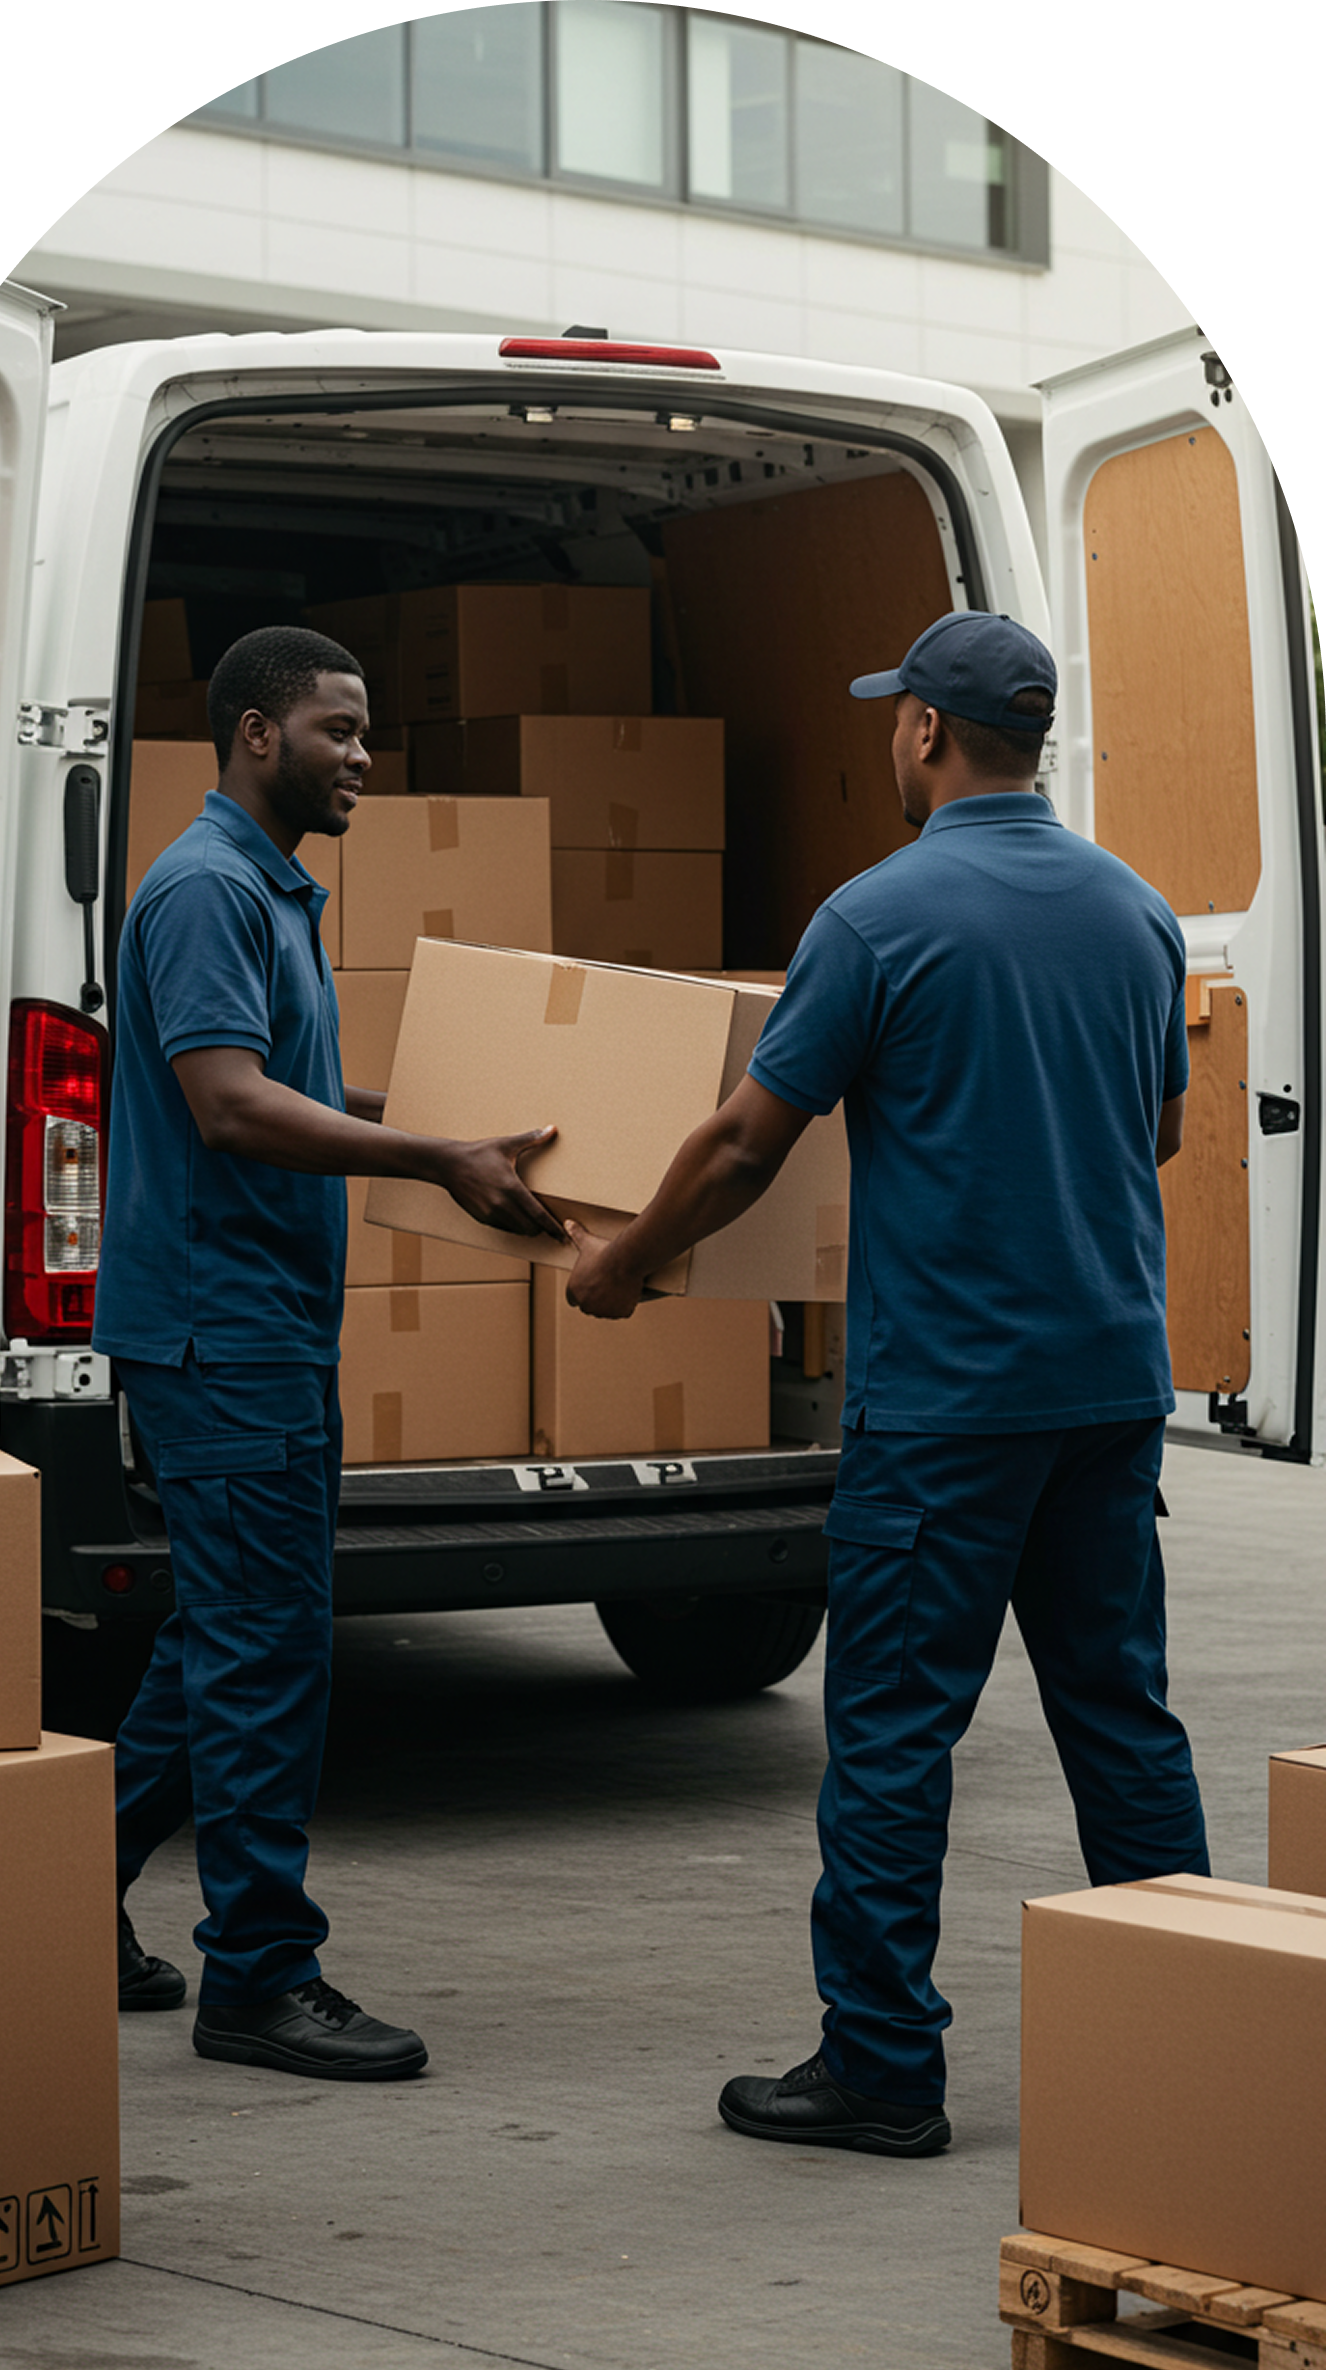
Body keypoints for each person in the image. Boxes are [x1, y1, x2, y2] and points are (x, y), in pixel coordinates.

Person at [564, 610, 1210, 2156]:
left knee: (893, 1732)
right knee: (1120, 1720)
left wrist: (627, 1262)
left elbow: (741, 1143)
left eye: (891, 718)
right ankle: (1191, 2036)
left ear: (922, 730)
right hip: (1109, 1381)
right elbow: (1160, 1134)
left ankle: (878, 2065)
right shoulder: (1135, 913)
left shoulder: (877, 915)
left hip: (948, 1405)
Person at [93, 624, 565, 2080]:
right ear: (253, 734)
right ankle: (259, 1976)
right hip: (216, 1334)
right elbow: (229, 1105)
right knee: (266, 1654)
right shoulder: (204, 892)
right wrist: (430, 1152)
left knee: (211, 1649)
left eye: (367, 731)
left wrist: (439, 1112)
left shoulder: (268, 893)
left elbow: (286, 1086)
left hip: (266, 1328)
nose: (365, 755)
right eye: (338, 730)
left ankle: (40, 1887)